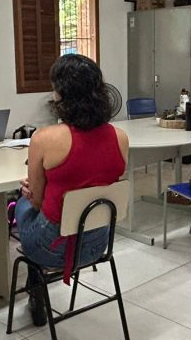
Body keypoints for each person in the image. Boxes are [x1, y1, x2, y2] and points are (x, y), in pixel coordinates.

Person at [16, 54, 129, 326]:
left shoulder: (44, 139)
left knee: (20, 204)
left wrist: (32, 195)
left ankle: (36, 284)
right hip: (98, 243)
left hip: (53, 247)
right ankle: (36, 286)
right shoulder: (120, 137)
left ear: (60, 94)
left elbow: (38, 203)